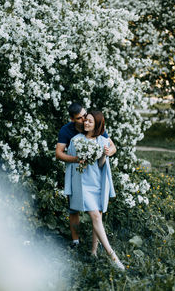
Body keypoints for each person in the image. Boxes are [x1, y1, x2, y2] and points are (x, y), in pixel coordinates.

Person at [64, 111, 125, 270]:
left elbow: (100, 165)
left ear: (97, 124)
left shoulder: (103, 140)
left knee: (98, 216)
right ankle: (113, 256)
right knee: (96, 216)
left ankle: (94, 251)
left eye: (90, 121)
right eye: (86, 121)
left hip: (98, 183)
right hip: (83, 185)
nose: (86, 123)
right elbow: (70, 166)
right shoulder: (75, 140)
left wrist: (105, 155)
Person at [56, 103, 116, 248]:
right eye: (80, 118)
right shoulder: (67, 131)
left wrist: (109, 152)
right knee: (73, 209)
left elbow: (112, 147)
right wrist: (77, 159)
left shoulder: (93, 126)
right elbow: (59, 153)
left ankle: (94, 248)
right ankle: (76, 241)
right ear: (72, 119)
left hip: (93, 176)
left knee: (97, 211)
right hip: (76, 173)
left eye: (85, 115)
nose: (84, 120)